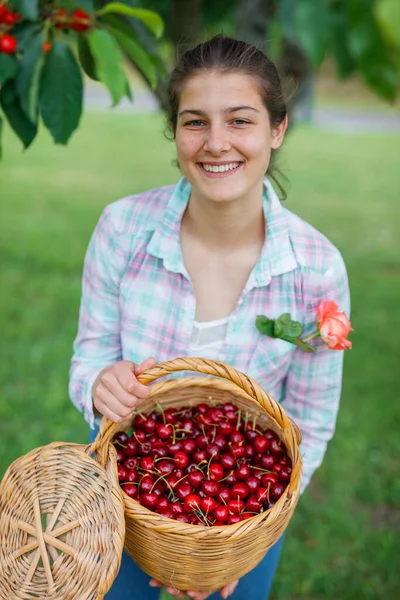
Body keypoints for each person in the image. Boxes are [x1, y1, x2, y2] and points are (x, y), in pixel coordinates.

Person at [69, 35, 350, 600]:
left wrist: (245, 541)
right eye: (195, 122)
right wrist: (100, 384)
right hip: (129, 495)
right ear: (175, 131)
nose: (216, 143)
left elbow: (311, 422)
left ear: (277, 129)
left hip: (247, 514)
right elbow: (90, 357)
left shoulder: (316, 268)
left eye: (240, 120)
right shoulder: (123, 231)